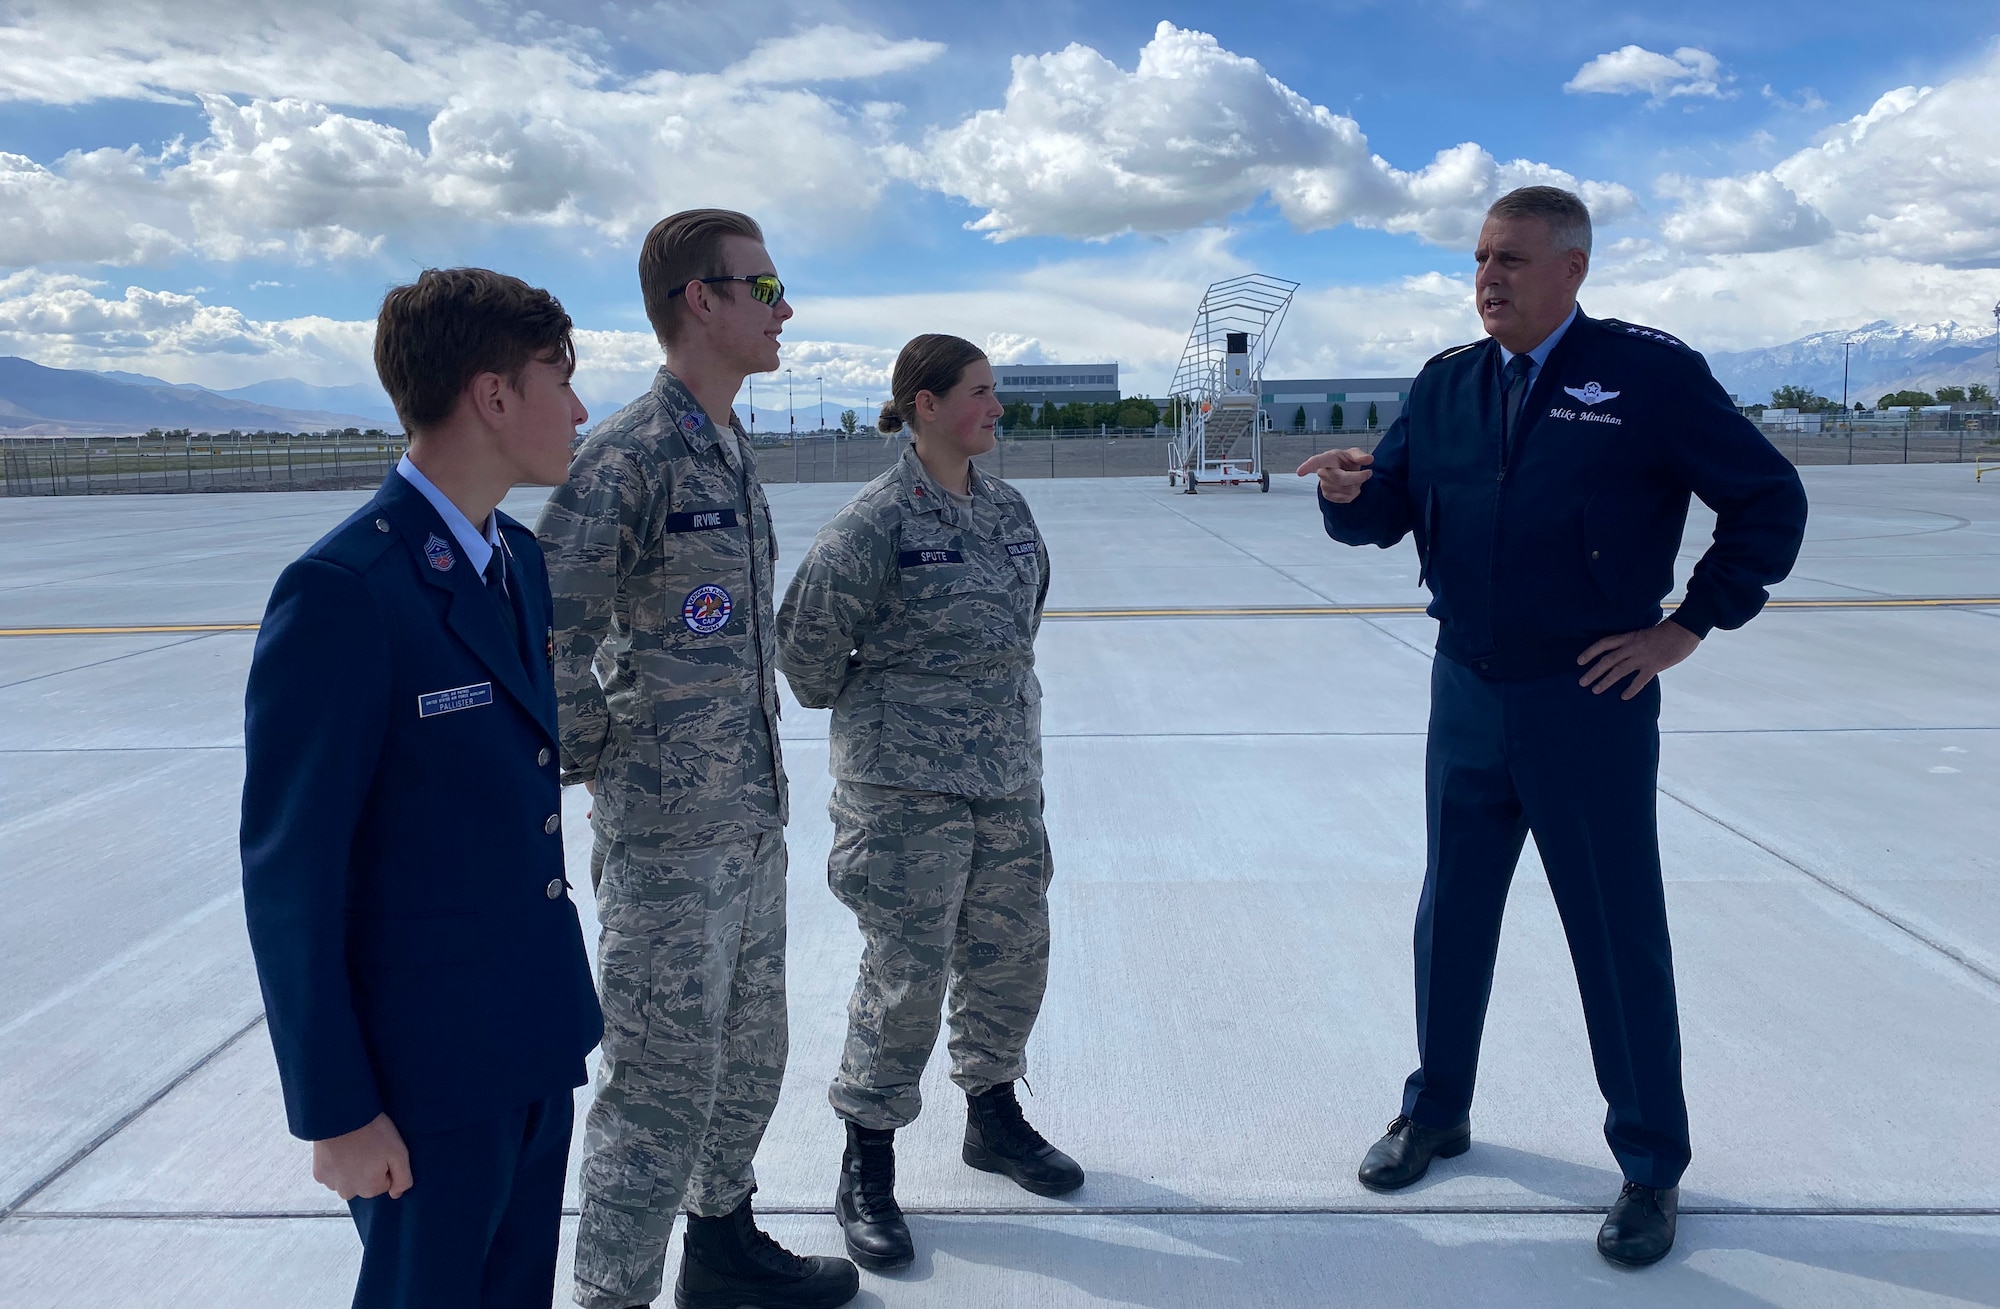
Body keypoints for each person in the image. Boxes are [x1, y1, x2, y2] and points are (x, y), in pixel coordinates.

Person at [1300, 186, 1807, 1267]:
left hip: (1589, 696)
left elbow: (1767, 501)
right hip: (1465, 692)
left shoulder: (1645, 376)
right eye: (1479, 259)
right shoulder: (1443, 386)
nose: (1487, 278)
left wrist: (1683, 629)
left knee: (1613, 934)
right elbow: (1386, 515)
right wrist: (1345, 495)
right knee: (1452, 917)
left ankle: (1649, 1166)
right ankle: (1435, 1110)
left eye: (1511, 260)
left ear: (1571, 269)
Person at [240, 267, 604, 1309]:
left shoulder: (515, 562)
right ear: (493, 395)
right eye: (559, 379)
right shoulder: (347, 591)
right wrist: (335, 1110)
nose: (578, 409)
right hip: (423, 1077)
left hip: (530, 1038)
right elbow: (291, 873)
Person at [536, 210, 858, 1309]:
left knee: (748, 1054)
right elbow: (546, 627)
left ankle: (719, 1247)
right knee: (659, 1085)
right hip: (669, 844)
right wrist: (604, 756)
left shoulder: (725, 445)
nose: (783, 309)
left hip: (746, 827)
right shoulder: (627, 456)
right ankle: (612, 1295)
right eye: (762, 288)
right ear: (699, 301)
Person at [776, 334, 1083, 1273]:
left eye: (995, 392)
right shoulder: (873, 524)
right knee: (905, 976)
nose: (996, 408)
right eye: (980, 393)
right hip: (903, 796)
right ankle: (866, 1158)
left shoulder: (1006, 508)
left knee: (1010, 957)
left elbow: (1018, 620)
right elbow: (807, 655)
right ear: (925, 404)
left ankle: (992, 1115)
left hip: (1003, 781)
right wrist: (906, 709)